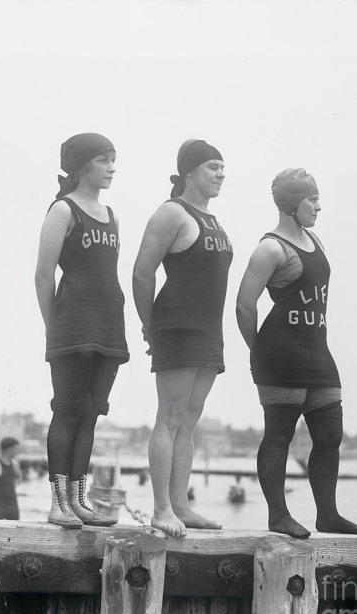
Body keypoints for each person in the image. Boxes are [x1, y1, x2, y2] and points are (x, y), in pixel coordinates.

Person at [236, 168, 357, 539]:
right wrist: (258, 351)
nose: (318, 206)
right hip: (281, 353)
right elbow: (244, 306)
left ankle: (328, 514)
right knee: (279, 434)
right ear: (293, 203)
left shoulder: (315, 240)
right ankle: (278, 515)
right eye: (312, 199)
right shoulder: (270, 248)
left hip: (317, 351)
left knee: (330, 433)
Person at [133, 139, 233, 537]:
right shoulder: (172, 212)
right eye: (213, 166)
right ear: (189, 173)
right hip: (177, 326)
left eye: (223, 167)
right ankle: (160, 509)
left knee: (189, 422)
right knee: (170, 418)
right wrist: (149, 324)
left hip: (209, 330)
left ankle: (181, 506)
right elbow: (142, 273)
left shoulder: (212, 218)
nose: (221, 174)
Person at [35, 132, 129, 529]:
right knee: (67, 409)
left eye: (113, 159)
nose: (111, 167)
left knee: (90, 413)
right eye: (104, 159)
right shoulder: (62, 210)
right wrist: (52, 326)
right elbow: (43, 275)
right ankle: (58, 503)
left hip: (109, 322)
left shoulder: (112, 215)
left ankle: (79, 499)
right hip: (72, 322)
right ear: (81, 166)